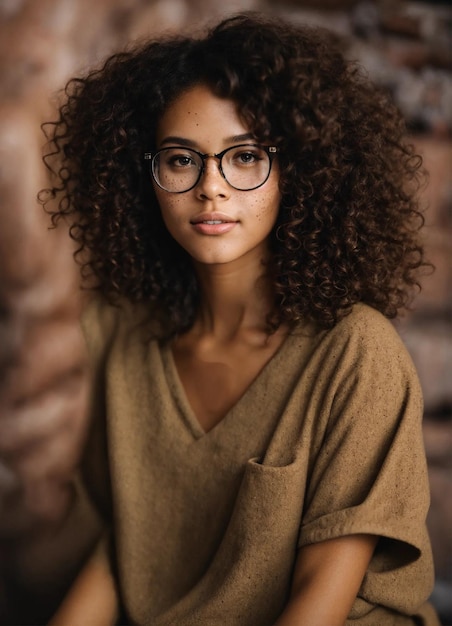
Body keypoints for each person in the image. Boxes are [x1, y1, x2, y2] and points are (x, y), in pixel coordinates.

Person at [8, 10, 441, 625]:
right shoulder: (122, 333)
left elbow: (321, 594)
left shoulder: (355, 352)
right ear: (145, 178)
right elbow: (126, 547)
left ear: (299, 172)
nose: (211, 187)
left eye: (244, 158)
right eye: (182, 160)